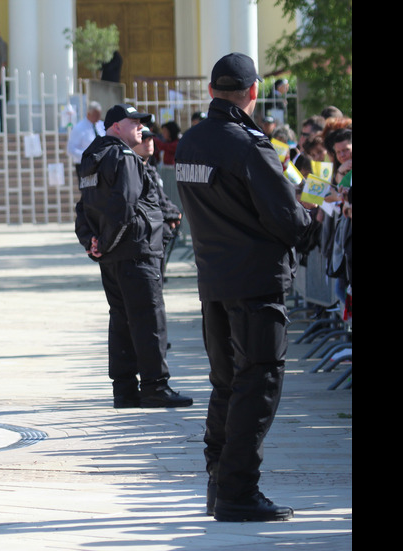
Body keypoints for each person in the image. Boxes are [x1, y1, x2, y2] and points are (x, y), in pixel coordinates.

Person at [174, 53, 312, 522]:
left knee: (227, 384)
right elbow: (288, 220)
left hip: (214, 278)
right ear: (253, 93)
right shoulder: (249, 145)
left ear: (213, 91)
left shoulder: (191, 142)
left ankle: (218, 482)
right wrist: (309, 218)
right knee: (259, 382)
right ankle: (237, 489)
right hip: (255, 281)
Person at [74, 103, 193, 410]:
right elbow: (124, 205)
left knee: (122, 320)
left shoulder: (92, 156)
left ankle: (125, 390)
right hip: (136, 250)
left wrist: (93, 242)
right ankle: (155, 386)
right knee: (148, 318)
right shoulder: (124, 158)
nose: (141, 127)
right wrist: (107, 242)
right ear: (115, 126)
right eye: (135, 122)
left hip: (113, 256)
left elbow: (83, 208)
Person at [134, 127, 182, 278]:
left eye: (150, 139)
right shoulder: (133, 168)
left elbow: (161, 196)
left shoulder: (149, 166)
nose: (148, 143)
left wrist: (172, 213)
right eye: (143, 140)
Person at [67, 101, 104, 179]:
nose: (98, 117)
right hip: (85, 166)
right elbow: (71, 149)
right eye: (96, 115)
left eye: (99, 115)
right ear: (89, 114)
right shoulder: (79, 128)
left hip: (101, 165)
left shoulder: (102, 125)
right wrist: (88, 156)